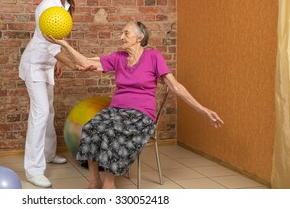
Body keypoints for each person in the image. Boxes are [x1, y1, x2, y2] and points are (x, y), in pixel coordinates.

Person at [44, 21, 224, 189]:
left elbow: (175, 86)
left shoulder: (154, 57)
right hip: (116, 111)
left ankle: (109, 184)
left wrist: (203, 110)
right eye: (121, 33)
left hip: (141, 114)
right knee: (91, 127)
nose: (121, 37)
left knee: (112, 132)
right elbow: (85, 62)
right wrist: (65, 44)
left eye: (126, 33)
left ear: (139, 38)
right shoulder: (118, 57)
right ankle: (94, 180)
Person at [19, 0, 92, 188]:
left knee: (48, 110)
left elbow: (55, 42)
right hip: (34, 66)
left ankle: (49, 154)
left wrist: (55, 64)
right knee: (40, 113)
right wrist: (72, 64)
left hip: (47, 64)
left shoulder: (66, 4)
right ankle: (33, 170)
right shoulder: (47, 7)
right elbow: (51, 46)